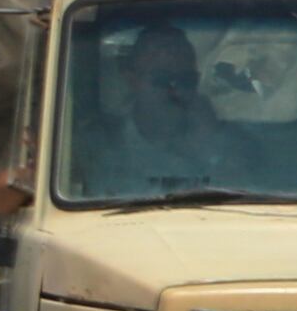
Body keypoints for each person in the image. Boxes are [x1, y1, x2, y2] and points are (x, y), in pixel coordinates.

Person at [81, 19, 233, 201]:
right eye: (162, 79)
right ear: (132, 80)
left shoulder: (229, 143)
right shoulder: (99, 145)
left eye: (186, 80)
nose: (175, 91)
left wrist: (211, 147)